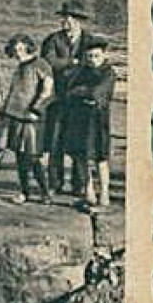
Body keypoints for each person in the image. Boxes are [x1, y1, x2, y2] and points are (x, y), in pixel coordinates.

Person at [41, 0, 92, 193]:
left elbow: (93, 65)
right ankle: (55, 184)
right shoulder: (52, 40)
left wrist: (69, 67)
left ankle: (80, 185)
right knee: (55, 142)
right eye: (65, 17)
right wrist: (73, 62)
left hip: (80, 102)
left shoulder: (89, 41)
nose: (67, 21)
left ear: (79, 21)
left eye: (71, 18)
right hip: (58, 99)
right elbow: (49, 61)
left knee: (79, 144)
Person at [0, 35, 54, 204]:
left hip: (31, 119)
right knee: (20, 158)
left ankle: (45, 193)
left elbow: (48, 90)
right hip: (15, 117)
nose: (18, 53)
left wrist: (36, 109)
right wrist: (4, 112)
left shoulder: (41, 65)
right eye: (15, 50)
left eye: (21, 49)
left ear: (28, 48)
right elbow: (14, 92)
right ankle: (25, 192)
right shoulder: (19, 68)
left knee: (33, 157)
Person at [62, 36, 116, 211]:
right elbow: (68, 91)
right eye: (90, 56)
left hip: (98, 121)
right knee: (80, 156)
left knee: (100, 157)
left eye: (96, 56)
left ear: (104, 56)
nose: (93, 60)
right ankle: (89, 192)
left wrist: (81, 91)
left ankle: (105, 193)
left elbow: (96, 93)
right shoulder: (82, 71)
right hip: (80, 120)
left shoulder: (109, 73)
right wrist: (80, 92)